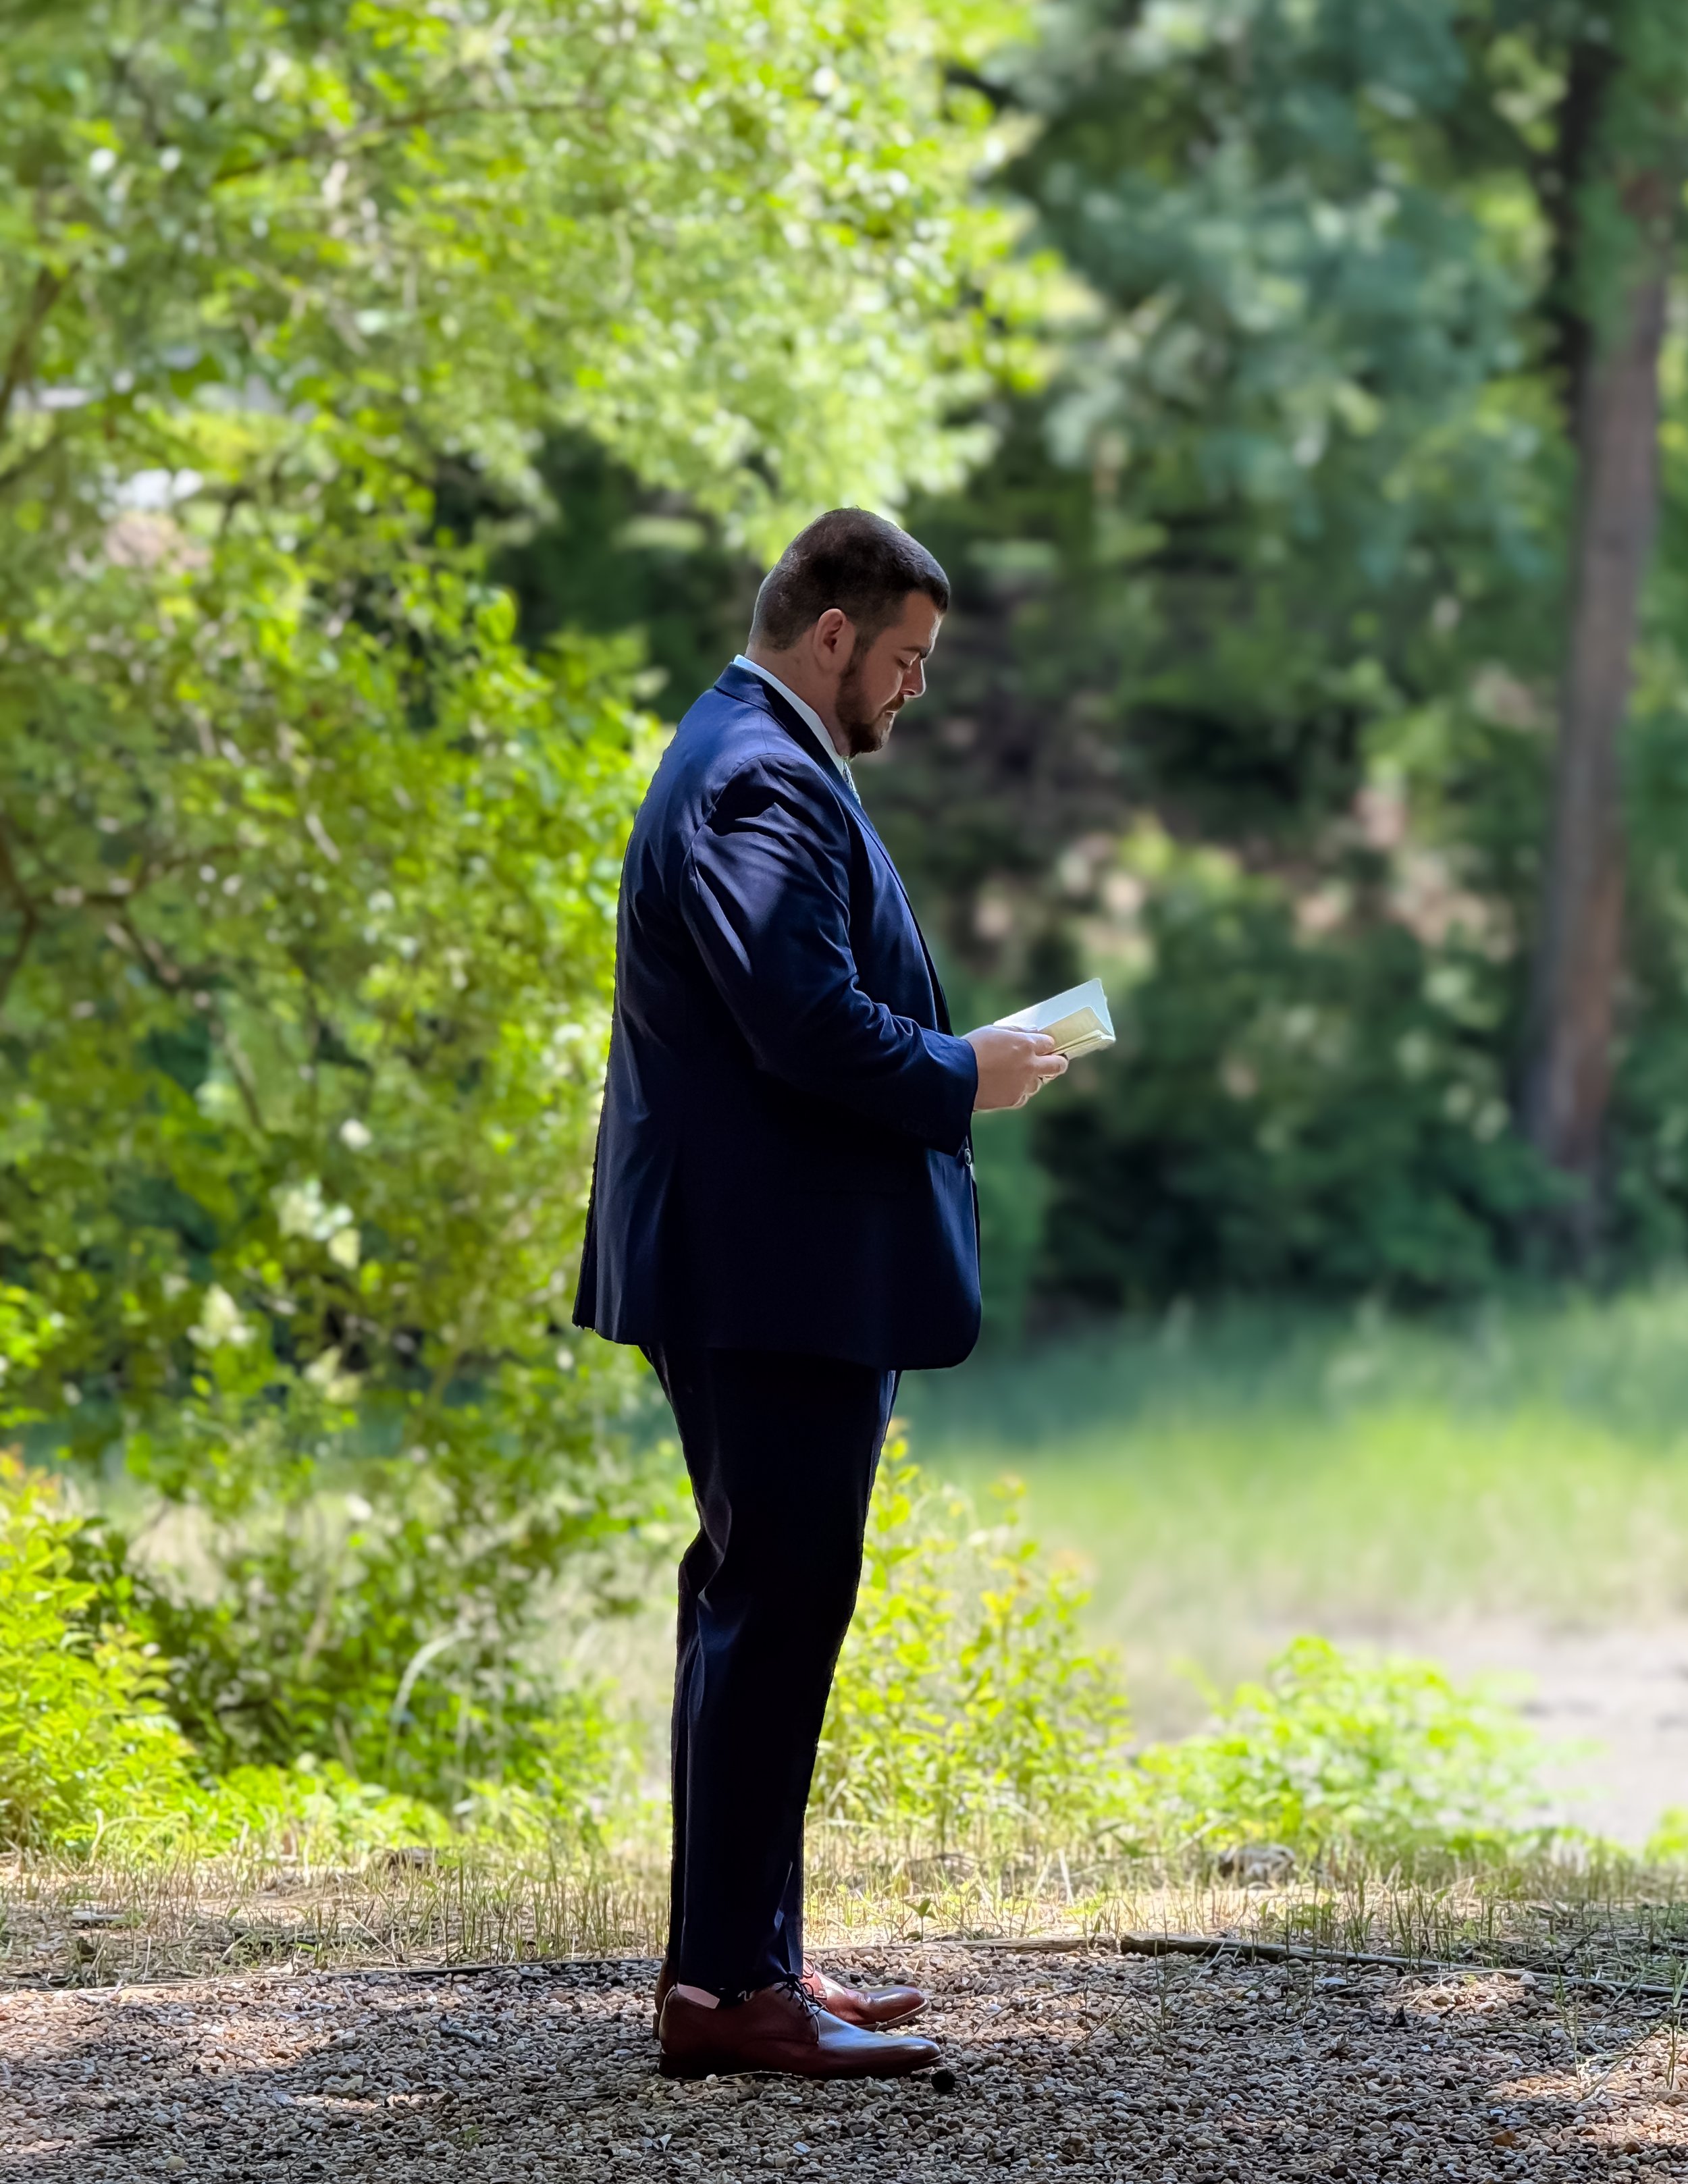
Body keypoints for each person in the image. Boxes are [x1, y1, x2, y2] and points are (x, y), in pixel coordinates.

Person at [573, 508, 1066, 2079]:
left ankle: (748, 1961)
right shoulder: (754, 772)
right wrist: (960, 1072)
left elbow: (792, 1005)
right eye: (906, 658)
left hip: (764, 1264)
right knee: (772, 1605)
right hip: (762, 1273)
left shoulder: (753, 756)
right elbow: (795, 1018)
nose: (911, 691)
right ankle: (725, 1994)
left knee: (759, 1600)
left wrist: (947, 1057)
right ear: (833, 631)